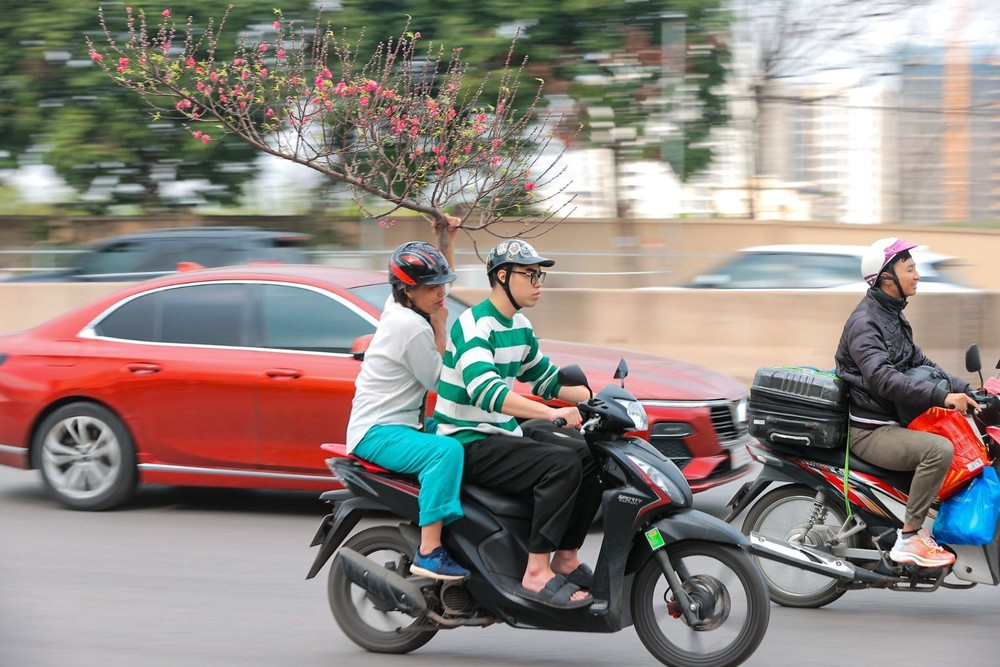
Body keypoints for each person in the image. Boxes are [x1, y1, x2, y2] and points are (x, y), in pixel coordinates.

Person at [434, 238, 602, 609]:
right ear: (503, 276)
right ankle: (536, 571)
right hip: (467, 440)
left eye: (540, 275)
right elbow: (486, 392)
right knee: (561, 465)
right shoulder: (473, 326)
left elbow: (546, 379)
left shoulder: (520, 325)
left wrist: (598, 400)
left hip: (501, 432)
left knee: (592, 454)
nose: (538, 283)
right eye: (530, 275)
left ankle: (565, 557)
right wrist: (550, 413)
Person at [835, 237, 979, 568]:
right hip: (871, 429)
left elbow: (922, 364)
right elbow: (884, 379)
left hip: (895, 420)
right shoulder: (865, 323)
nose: (917, 275)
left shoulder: (893, 315)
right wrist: (944, 397)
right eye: (910, 269)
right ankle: (910, 537)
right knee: (939, 450)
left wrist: (968, 390)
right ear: (887, 276)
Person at [346, 236, 470, 581]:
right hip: (379, 432)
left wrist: (447, 239)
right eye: (432, 288)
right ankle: (430, 550)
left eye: (443, 284)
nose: (441, 293)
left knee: (465, 431)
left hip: (402, 424)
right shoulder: (410, 326)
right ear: (407, 291)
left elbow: (434, 278)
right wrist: (441, 325)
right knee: (446, 451)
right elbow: (441, 383)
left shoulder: (403, 304)